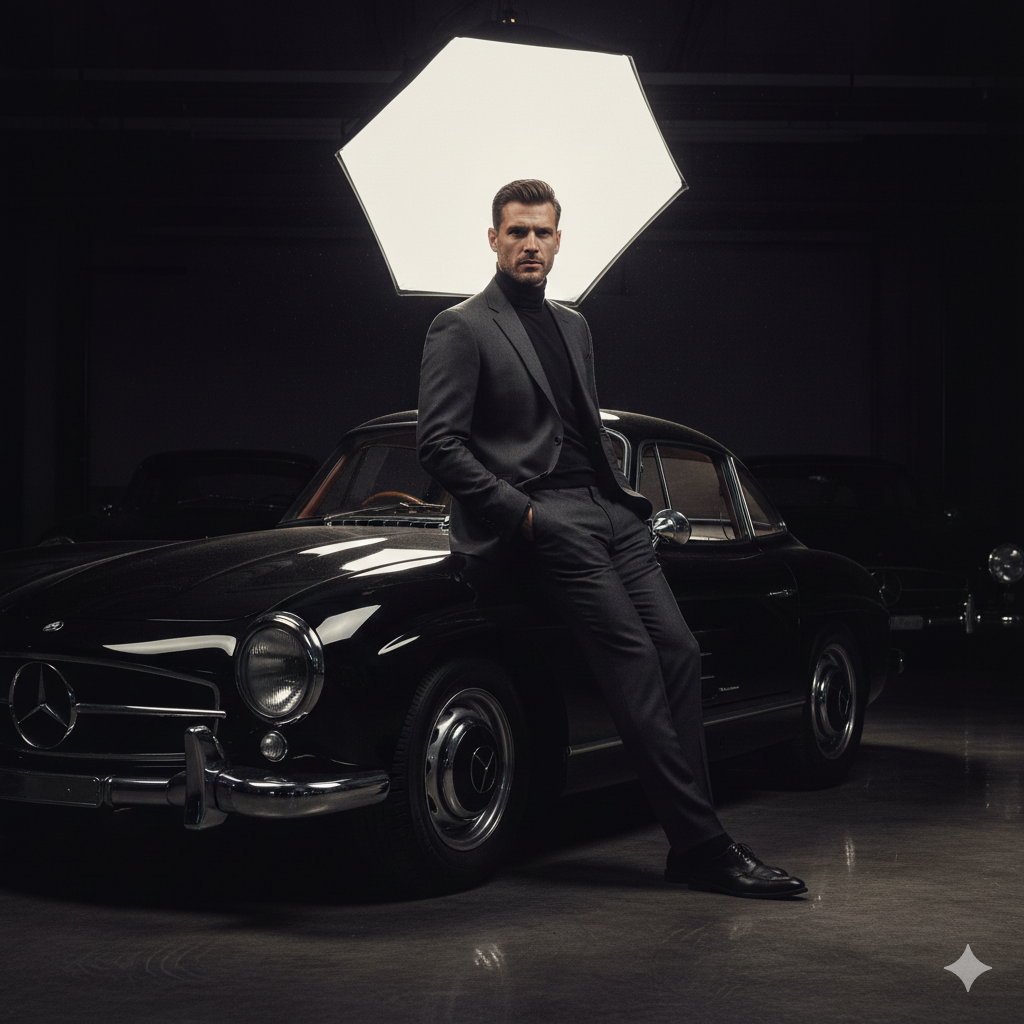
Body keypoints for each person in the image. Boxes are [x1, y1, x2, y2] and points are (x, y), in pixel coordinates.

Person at [417, 179, 805, 899]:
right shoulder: (461, 326)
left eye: (542, 232)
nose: (530, 244)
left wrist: (624, 505)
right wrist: (525, 515)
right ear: (493, 240)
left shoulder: (574, 326)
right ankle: (704, 844)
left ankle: (696, 837)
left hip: (611, 512)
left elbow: (584, 428)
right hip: (543, 519)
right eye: (516, 233)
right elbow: (438, 444)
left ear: (559, 240)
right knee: (631, 659)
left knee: (681, 652)